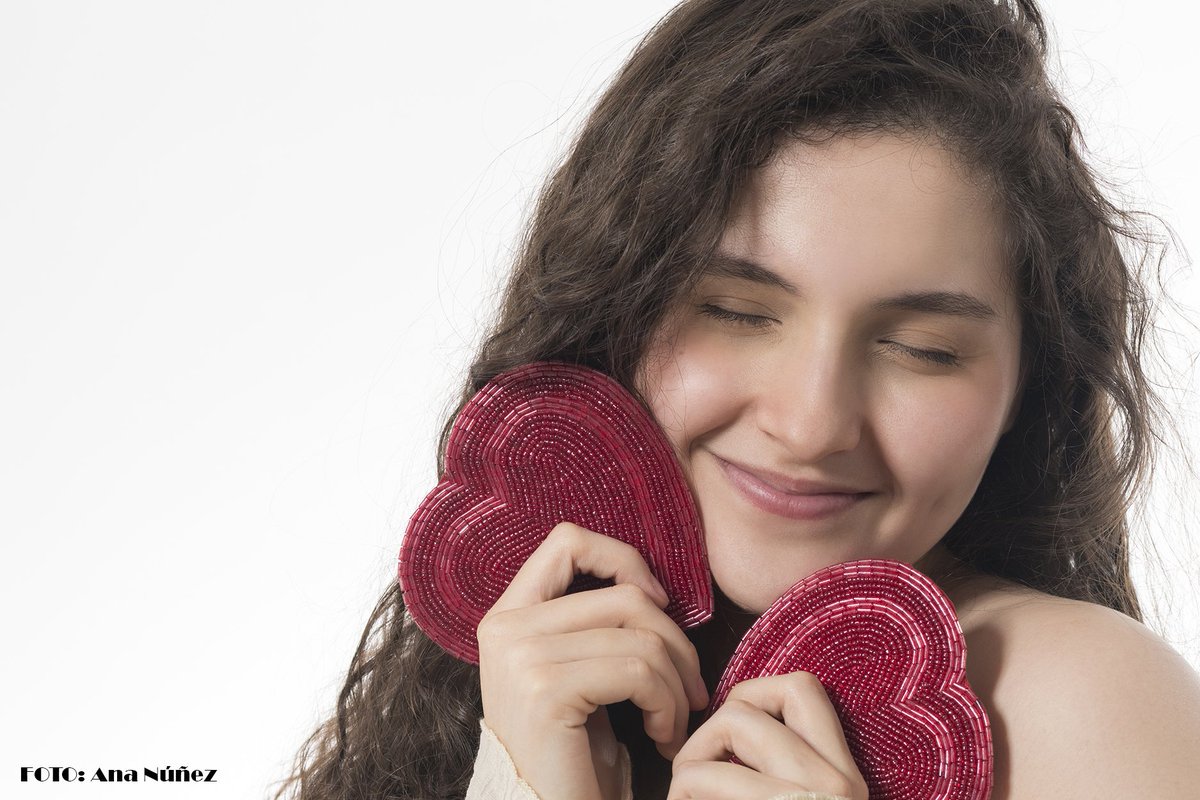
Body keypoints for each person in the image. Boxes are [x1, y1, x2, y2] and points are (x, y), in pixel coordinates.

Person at [274, 0, 1200, 798]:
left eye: (921, 349)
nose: (808, 424)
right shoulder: (519, 674)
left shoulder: (1080, 706)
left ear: (1023, 391)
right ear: (616, 305)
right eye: (735, 312)